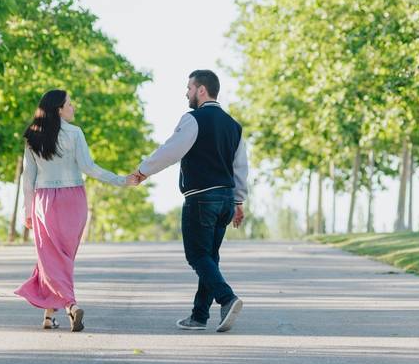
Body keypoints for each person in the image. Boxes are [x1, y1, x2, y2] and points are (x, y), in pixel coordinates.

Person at [132, 70, 248, 333]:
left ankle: (227, 298)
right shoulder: (234, 126)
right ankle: (199, 316)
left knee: (197, 255)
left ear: (202, 90)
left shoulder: (194, 119)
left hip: (201, 198)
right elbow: (240, 167)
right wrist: (239, 202)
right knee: (210, 258)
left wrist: (143, 170)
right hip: (226, 199)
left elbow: (171, 150)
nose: (187, 93)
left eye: (189, 88)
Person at [14, 89, 140, 331]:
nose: (73, 108)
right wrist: (121, 180)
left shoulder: (32, 135)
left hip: (45, 201)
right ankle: (50, 316)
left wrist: (27, 211)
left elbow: (27, 177)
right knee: (61, 258)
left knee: (51, 256)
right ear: (59, 109)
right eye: (69, 104)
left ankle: (70, 306)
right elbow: (89, 167)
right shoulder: (75, 133)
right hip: (74, 200)